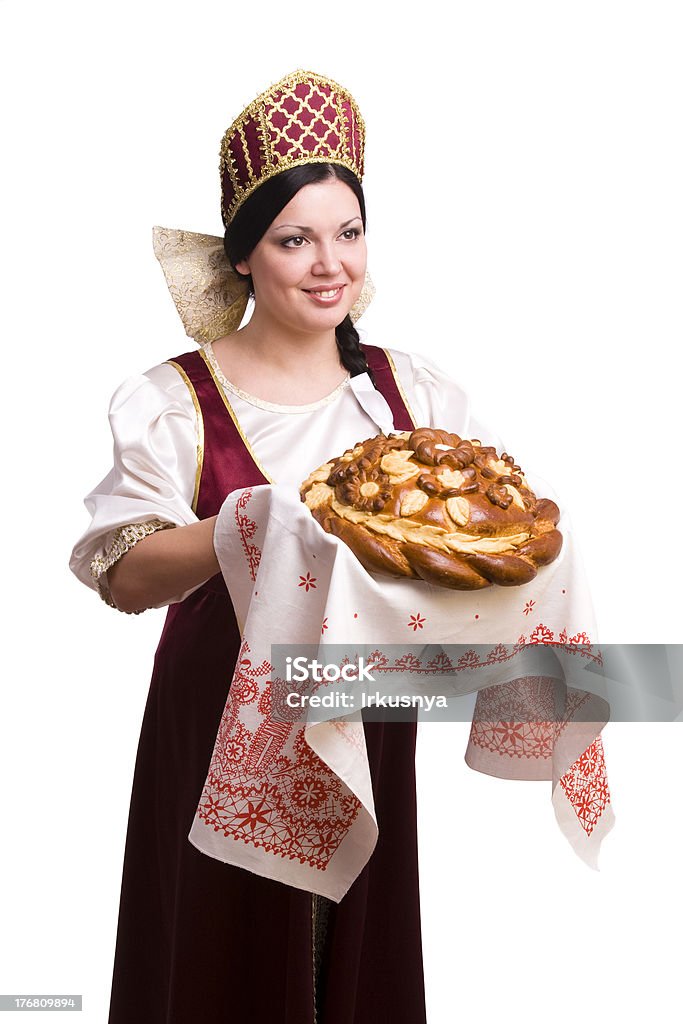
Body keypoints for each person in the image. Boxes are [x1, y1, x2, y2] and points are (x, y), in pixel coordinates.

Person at [69, 70, 498, 1023]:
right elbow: (124, 576)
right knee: (222, 946)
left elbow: (464, 565)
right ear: (240, 259)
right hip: (217, 712)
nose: (327, 264)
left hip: (365, 706)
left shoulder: (408, 395)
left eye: (347, 232)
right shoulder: (175, 397)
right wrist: (240, 527)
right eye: (292, 239)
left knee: (352, 949)